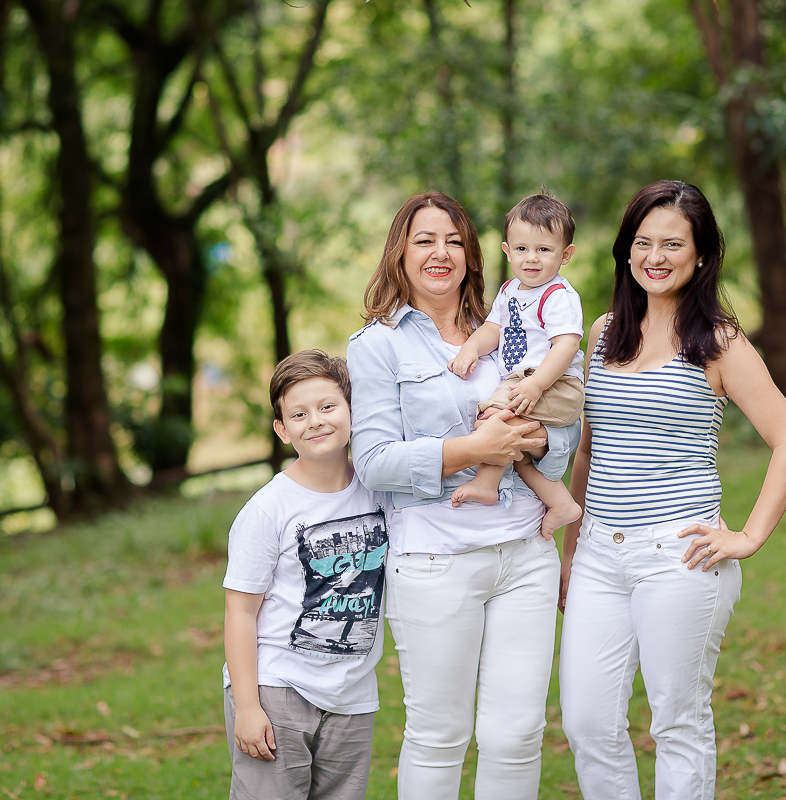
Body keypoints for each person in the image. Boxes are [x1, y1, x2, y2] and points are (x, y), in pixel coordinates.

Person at [558, 180, 786, 800]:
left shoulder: (718, 343)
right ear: (625, 251)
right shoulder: (602, 333)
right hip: (597, 552)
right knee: (588, 723)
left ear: (700, 256)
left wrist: (749, 536)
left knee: (677, 721)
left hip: (680, 554)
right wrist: (570, 552)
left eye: (673, 243)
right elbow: (589, 452)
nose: (655, 256)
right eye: (643, 242)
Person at [347, 191, 577, 800]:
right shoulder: (377, 345)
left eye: (453, 240)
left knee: (517, 735)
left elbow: (561, 434)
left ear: (474, 255)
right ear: (400, 253)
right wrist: (473, 451)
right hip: (435, 562)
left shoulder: (512, 329)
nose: (440, 253)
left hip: (525, 555)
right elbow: (372, 463)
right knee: (438, 735)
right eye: (424, 240)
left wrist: (527, 440)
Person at [222, 350, 389, 800]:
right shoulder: (267, 509)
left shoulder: (382, 491)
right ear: (282, 429)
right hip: (279, 688)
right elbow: (239, 612)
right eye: (299, 414)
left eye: (328, 407)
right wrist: (248, 706)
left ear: (354, 409)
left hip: (353, 692)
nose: (315, 421)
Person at [447, 192, 585, 537]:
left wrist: (536, 384)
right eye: (522, 249)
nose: (532, 259)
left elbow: (566, 345)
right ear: (507, 250)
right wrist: (470, 350)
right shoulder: (510, 291)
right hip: (525, 381)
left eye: (544, 250)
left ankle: (485, 483)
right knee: (517, 451)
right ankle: (561, 503)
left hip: (555, 383)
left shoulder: (558, 296)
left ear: (565, 254)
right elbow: (493, 330)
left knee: (495, 420)